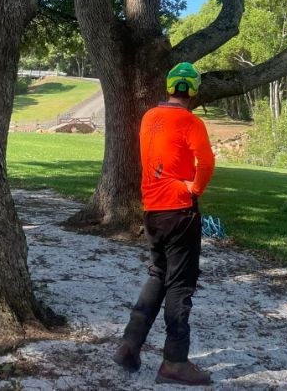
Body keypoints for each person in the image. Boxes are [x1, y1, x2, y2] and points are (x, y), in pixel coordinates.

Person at [114, 61, 215, 386]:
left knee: (158, 274)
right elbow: (207, 162)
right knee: (180, 284)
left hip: (152, 210)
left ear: (170, 87)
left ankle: (130, 344)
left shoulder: (149, 117)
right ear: (194, 90)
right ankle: (174, 361)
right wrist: (195, 188)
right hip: (179, 212)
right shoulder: (191, 122)